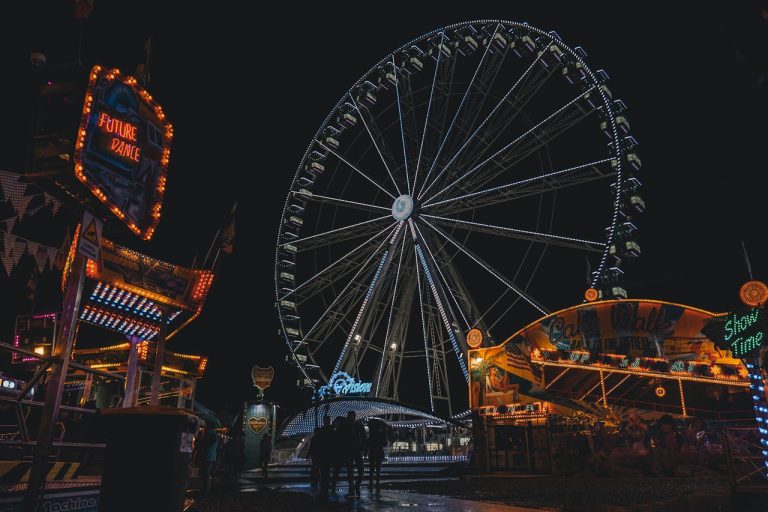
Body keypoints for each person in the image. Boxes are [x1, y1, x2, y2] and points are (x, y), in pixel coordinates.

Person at [341, 411, 367, 497]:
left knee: (360, 470)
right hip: (348, 451)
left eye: (352, 416)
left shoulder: (359, 425)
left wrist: (362, 448)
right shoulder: (345, 426)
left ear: (354, 416)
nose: (351, 417)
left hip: (357, 450)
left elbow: (364, 437)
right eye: (350, 416)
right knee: (350, 471)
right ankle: (352, 488)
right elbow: (342, 438)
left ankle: (356, 485)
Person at [311, 415, 334, 500]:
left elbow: (318, 444)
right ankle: (324, 491)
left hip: (324, 456)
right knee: (325, 474)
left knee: (324, 474)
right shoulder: (330, 431)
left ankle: (324, 492)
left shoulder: (324, 431)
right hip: (326, 456)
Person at [367, 420, 387, 490]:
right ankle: (377, 484)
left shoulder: (372, 434)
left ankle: (371, 483)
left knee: (371, 469)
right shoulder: (381, 433)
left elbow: (368, 443)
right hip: (379, 452)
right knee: (378, 469)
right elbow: (385, 443)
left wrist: (366, 452)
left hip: (372, 452)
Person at [198, 426, 219, 493]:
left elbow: (206, 444)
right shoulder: (214, 435)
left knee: (206, 473)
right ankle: (206, 487)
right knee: (206, 472)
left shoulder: (210, 434)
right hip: (211, 456)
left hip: (208, 455)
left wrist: (202, 440)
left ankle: (206, 488)